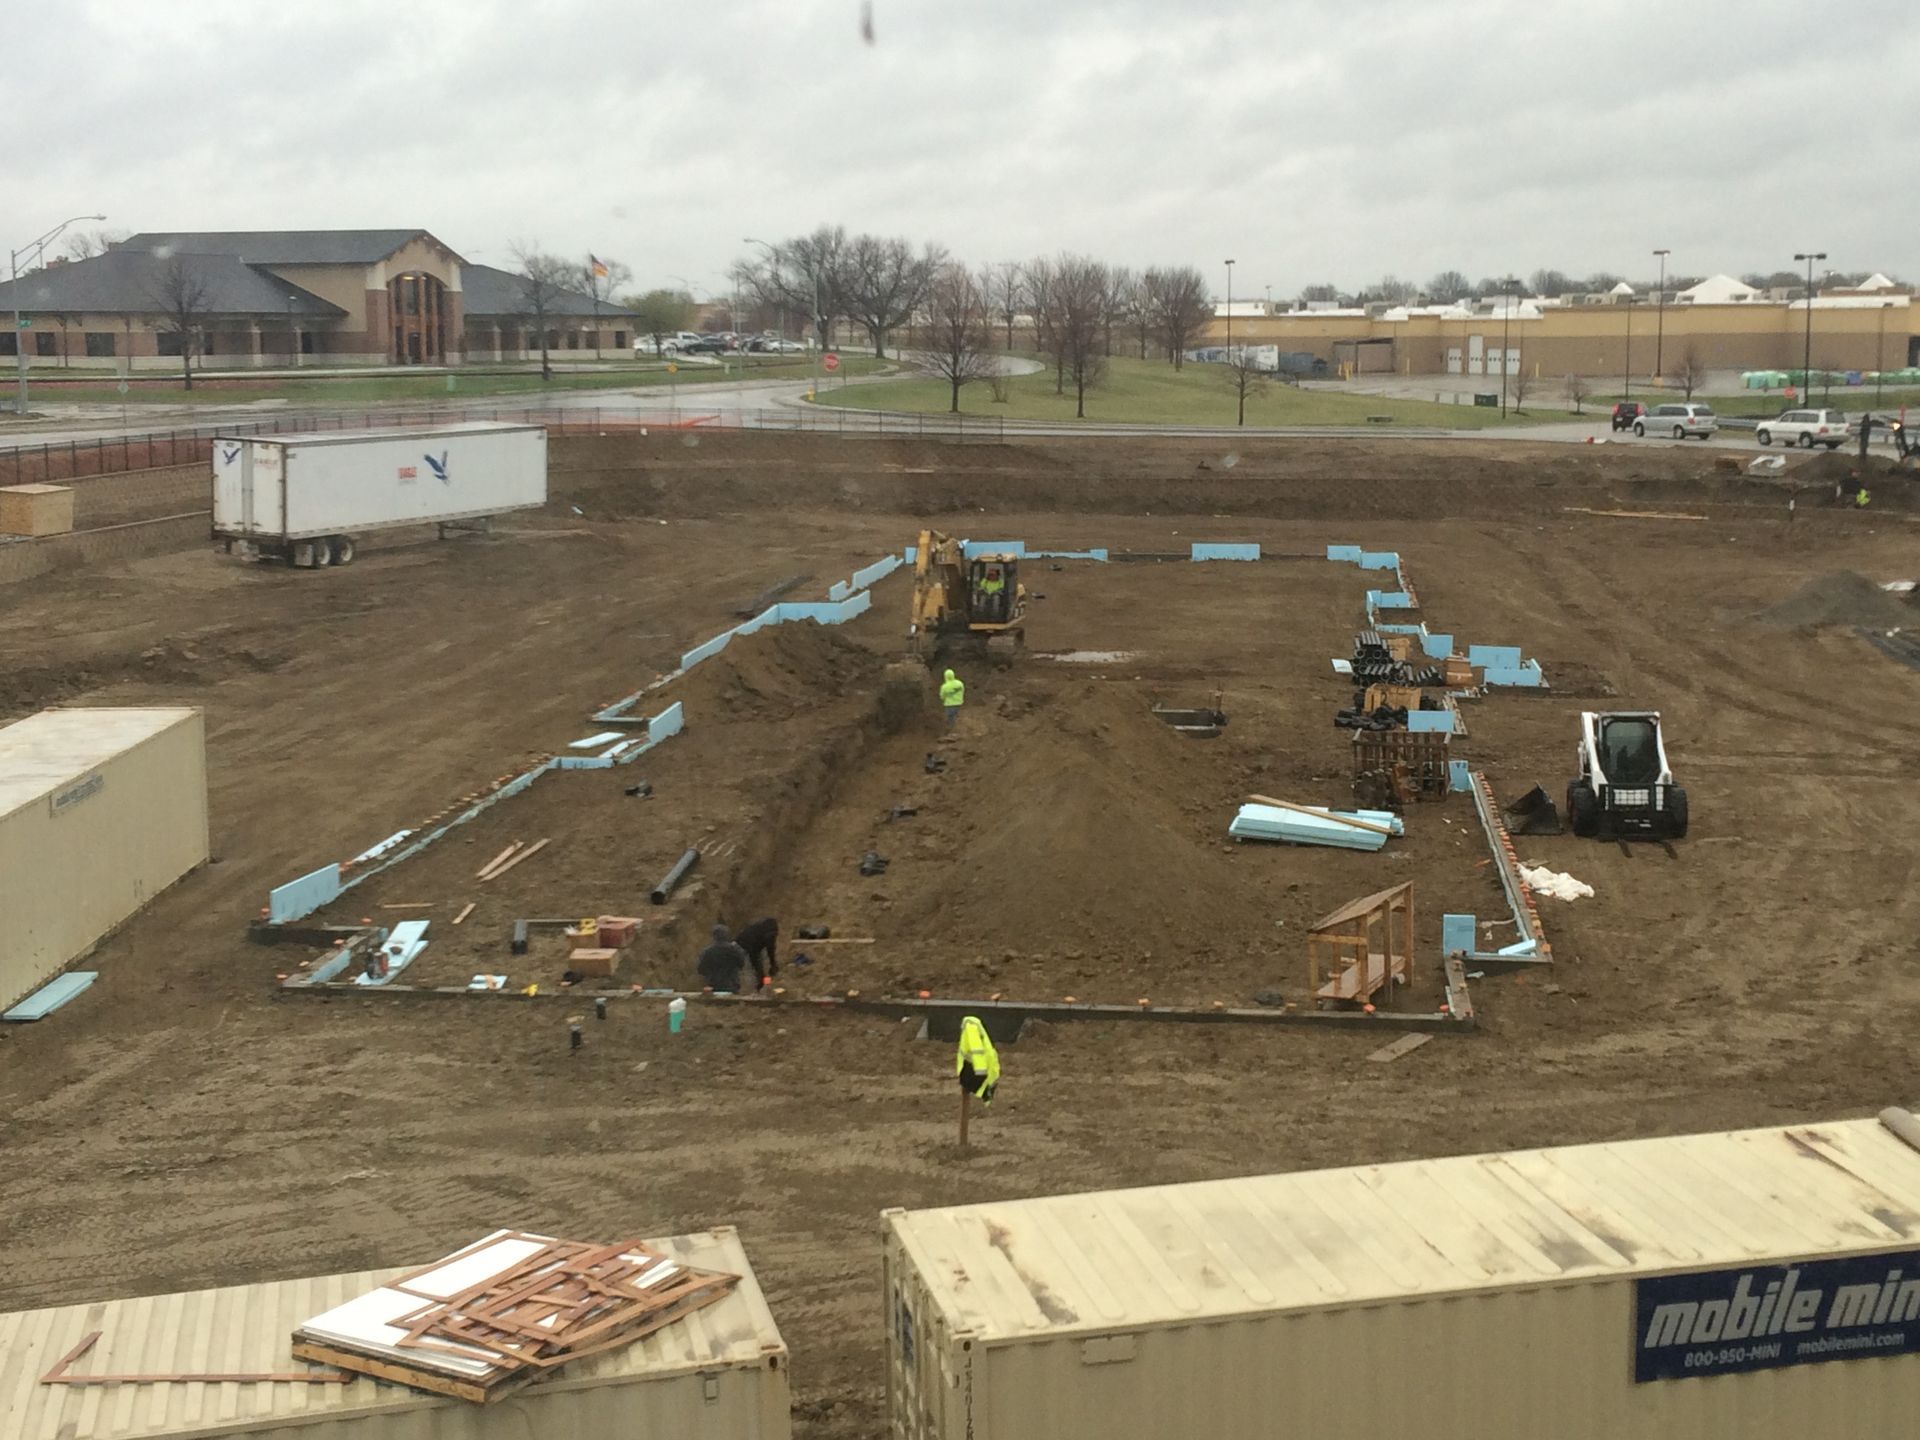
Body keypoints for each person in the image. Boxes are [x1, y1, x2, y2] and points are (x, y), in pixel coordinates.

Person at [696, 924, 753, 993]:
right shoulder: (734, 949)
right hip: (732, 986)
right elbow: (742, 963)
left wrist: (711, 974)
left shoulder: (707, 951)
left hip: (713, 987)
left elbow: (700, 969)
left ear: (714, 936)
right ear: (726, 935)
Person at [733, 916, 778, 985]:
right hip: (741, 947)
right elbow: (754, 955)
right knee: (748, 973)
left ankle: (760, 986)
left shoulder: (766, 931)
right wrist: (761, 971)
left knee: (758, 972)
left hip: (750, 947)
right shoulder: (757, 934)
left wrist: (773, 964)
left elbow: (770, 948)